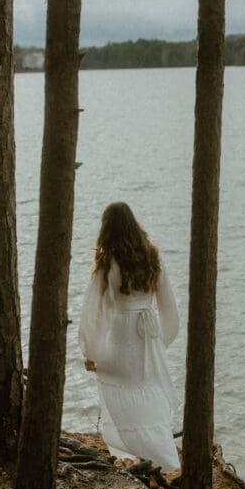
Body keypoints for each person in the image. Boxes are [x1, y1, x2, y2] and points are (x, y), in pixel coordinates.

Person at [78, 202, 181, 472]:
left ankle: (137, 455)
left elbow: (93, 311)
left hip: (121, 334)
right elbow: (169, 308)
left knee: (121, 389)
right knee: (148, 391)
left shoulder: (107, 262)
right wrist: (161, 343)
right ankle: (164, 459)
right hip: (148, 336)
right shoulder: (153, 258)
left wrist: (91, 351)